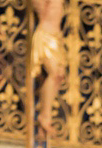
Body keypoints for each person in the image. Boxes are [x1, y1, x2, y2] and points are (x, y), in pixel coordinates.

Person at [31, 0, 67, 136]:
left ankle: (47, 116)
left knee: (59, 76)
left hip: (56, 38)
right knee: (54, 74)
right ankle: (44, 117)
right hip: (45, 36)